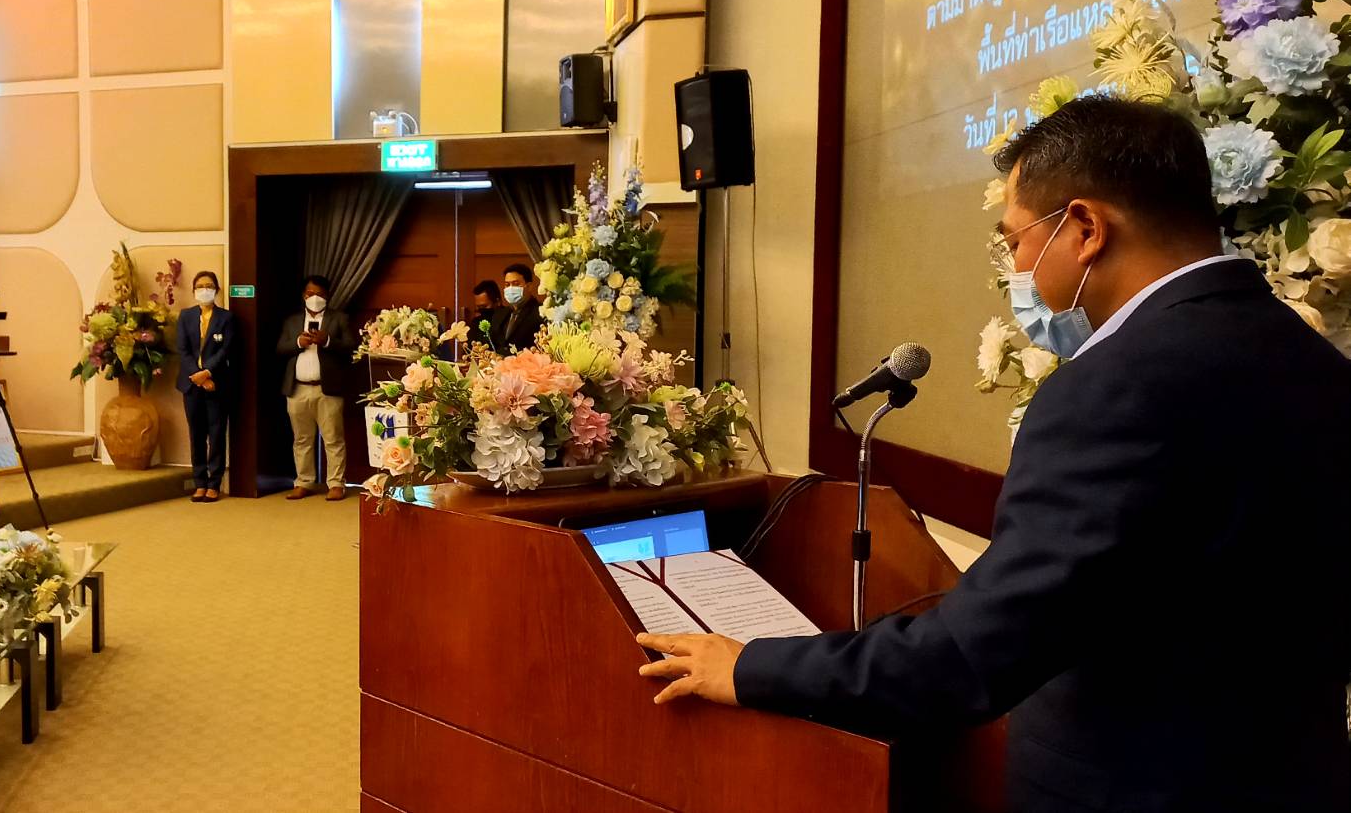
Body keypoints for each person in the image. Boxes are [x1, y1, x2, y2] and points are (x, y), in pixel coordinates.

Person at [631, 97, 1351, 812]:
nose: (1018, 270)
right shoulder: (1313, 359)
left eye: (1015, 242)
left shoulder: (1115, 387)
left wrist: (749, 666)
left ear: (1085, 228)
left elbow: (967, 660)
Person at [277, 275, 357, 501]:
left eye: (319, 294)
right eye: (310, 294)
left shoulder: (339, 319)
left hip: (327, 389)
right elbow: (280, 348)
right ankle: (304, 482)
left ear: (327, 296)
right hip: (297, 389)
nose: (314, 298)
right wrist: (298, 343)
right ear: (303, 295)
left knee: (333, 439)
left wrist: (328, 341)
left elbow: (351, 347)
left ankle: (336, 483)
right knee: (302, 439)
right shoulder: (292, 321)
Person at [177, 271, 236, 502]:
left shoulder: (226, 318)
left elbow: (226, 350)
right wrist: (198, 376)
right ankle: (200, 482)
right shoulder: (186, 316)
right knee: (197, 434)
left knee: (217, 434)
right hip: (191, 385)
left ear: (217, 290)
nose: (204, 289)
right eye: (200, 286)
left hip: (216, 384)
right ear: (194, 290)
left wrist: (208, 373)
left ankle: (214, 483)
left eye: (209, 286)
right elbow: (183, 350)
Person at [497, 263, 540, 354]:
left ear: (529, 286)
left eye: (516, 284)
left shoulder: (539, 313)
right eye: (507, 284)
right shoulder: (500, 314)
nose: (510, 288)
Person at [467, 279, 509, 352]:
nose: (481, 310)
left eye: (484, 306)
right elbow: (469, 351)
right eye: (479, 307)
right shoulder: (476, 323)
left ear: (498, 302)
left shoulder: (509, 319)